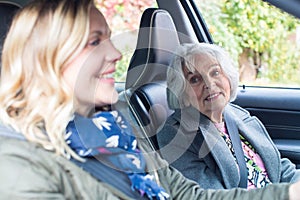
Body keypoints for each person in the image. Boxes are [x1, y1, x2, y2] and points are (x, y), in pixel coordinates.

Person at [0, 0, 299, 199]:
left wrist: (289, 193)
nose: (115, 54)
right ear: (47, 58)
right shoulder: (16, 163)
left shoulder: (117, 126)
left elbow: (185, 195)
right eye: (94, 42)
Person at [157, 42, 300, 190]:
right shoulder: (175, 135)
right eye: (195, 79)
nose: (209, 83)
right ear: (182, 92)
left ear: (228, 78)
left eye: (215, 72)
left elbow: (278, 167)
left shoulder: (236, 114)